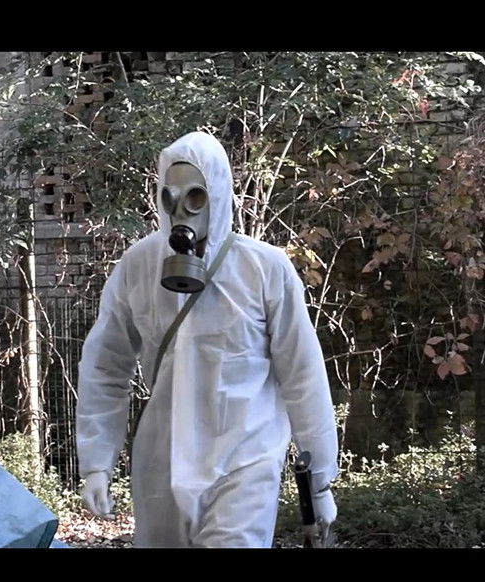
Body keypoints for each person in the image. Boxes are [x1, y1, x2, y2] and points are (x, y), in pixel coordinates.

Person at [76, 131, 338, 548]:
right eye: (170, 197)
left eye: (195, 197)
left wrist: (319, 479)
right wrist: (96, 463)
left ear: (217, 193)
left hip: (245, 460)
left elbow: (302, 373)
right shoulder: (139, 265)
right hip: (162, 460)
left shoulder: (264, 268)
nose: (182, 211)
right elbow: (105, 366)